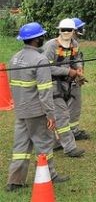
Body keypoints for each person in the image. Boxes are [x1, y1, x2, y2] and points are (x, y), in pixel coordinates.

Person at [6, 22, 70, 192]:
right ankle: (50, 175)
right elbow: (45, 92)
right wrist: (50, 115)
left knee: (20, 146)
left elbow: (12, 86)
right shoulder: (40, 60)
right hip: (37, 111)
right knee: (44, 144)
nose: (43, 38)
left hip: (21, 110)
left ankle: (15, 181)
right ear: (36, 40)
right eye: (41, 36)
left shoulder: (14, 58)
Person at [42, 19, 86, 158]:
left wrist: (79, 70)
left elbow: (77, 58)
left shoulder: (74, 44)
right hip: (53, 85)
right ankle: (70, 148)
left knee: (67, 113)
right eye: (63, 30)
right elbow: (45, 67)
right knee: (62, 116)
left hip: (69, 84)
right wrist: (68, 72)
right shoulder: (51, 46)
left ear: (74, 31)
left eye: (69, 29)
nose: (66, 32)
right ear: (59, 31)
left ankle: (55, 143)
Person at [68, 18, 90, 141]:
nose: (83, 30)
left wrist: (80, 73)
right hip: (71, 82)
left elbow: (77, 61)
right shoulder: (69, 44)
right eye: (80, 28)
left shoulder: (72, 43)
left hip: (71, 79)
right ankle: (73, 132)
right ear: (74, 31)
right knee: (74, 107)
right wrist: (76, 76)